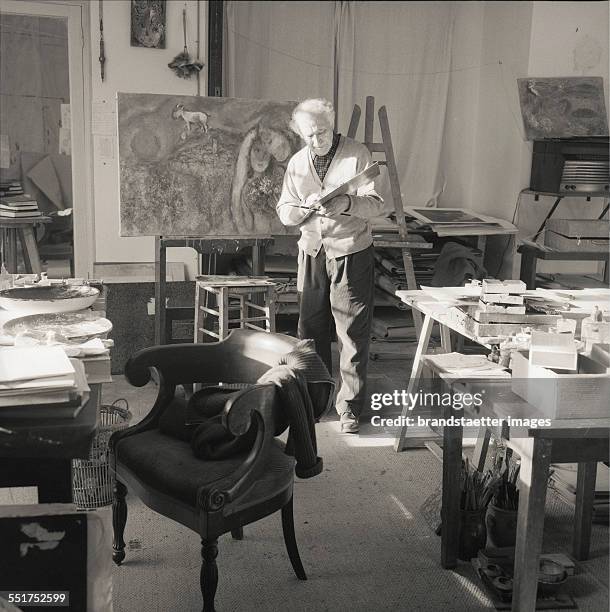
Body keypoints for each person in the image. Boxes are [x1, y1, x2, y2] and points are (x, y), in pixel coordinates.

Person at [276, 98, 384, 433]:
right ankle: (314, 400)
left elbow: (377, 205)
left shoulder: (357, 154)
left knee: (351, 331)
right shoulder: (296, 163)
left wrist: (348, 203)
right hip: (311, 251)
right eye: (309, 135)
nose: (316, 140)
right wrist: (303, 209)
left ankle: (350, 408)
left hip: (351, 251)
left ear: (332, 124)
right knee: (310, 332)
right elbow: (284, 211)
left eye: (322, 132)